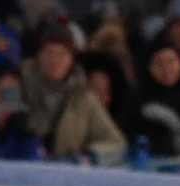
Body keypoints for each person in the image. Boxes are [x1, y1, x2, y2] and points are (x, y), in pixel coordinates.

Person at [21, 19, 128, 163]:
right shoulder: (19, 83)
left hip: (66, 175)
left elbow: (116, 143)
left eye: (62, 54)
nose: (55, 60)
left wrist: (89, 155)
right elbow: (3, 119)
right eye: (49, 52)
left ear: (71, 59)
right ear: (38, 56)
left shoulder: (84, 98)